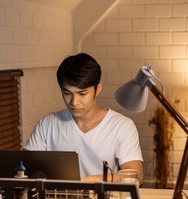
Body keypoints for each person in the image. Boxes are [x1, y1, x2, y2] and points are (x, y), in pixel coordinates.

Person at [23, 53, 144, 184]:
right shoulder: (47, 125)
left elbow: (136, 176)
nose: (74, 102)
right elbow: (23, 169)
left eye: (82, 93)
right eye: (67, 93)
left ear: (98, 89)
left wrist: (85, 181)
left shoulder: (122, 126)